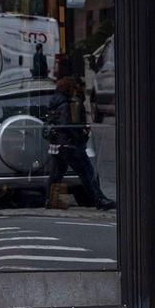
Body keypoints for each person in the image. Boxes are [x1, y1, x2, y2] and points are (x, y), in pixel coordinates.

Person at [44, 73, 115, 210]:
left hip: (57, 145)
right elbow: (65, 125)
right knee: (87, 172)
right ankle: (100, 200)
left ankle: (49, 200)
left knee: (56, 175)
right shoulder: (65, 104)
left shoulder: (54, 102)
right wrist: (79, 135)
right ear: (69, 88)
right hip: (70, 145)